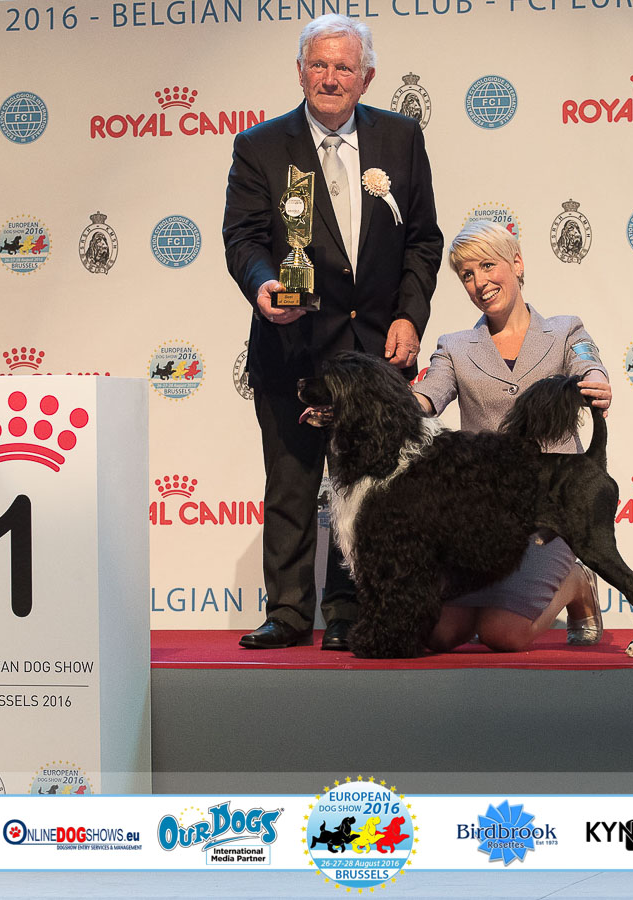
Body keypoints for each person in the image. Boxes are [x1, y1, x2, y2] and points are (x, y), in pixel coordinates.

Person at [222, 14, 443, 650]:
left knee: (368, 487)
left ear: (366, 78)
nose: (329, 77)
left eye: (344, 67)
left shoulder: (401, 138)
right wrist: (264, 286)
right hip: (290, 347)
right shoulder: (259, 145)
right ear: (299, 71)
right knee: (291, 484)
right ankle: (289, 613)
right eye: (318, 64)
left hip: (375, 354)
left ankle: (349, 610)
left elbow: (423, 240)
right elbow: (243, 238)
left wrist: (410, 316)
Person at [412, 220, 610, 652]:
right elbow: (429, 394)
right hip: (483, 521)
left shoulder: (565, 330)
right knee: (440, 634)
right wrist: (397, 404)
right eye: (467, 274)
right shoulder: (453, 346)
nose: (480, 282)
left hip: (551, 512)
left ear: (517, 264)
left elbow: (588, 362)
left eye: (488, 266)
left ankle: (577, 581)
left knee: (503, 634)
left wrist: (595, 379)